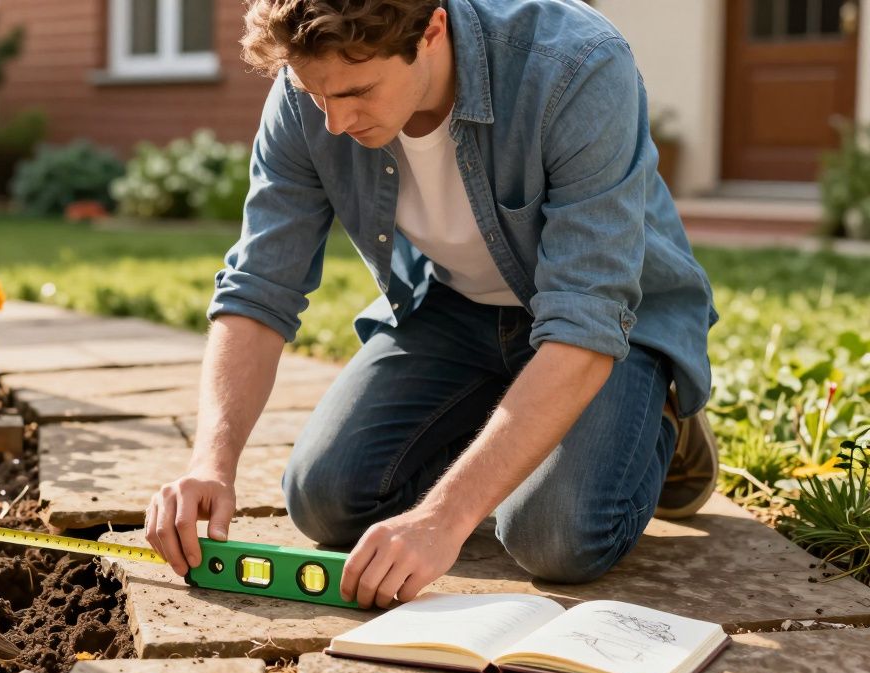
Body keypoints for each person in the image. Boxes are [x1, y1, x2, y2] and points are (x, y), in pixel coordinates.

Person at [144, 0, 719, 610]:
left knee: (552, 539)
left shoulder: (575, 64)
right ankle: (515, 437)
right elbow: (259, 285)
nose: (335, 123)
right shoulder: (306, 94)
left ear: (432, 31)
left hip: (606, 328)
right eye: (317, 95)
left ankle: (659, 417)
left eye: (358, 91)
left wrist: (443, 518)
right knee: (324, 499)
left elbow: (586, 319)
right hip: (456, 306)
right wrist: (212, 460)